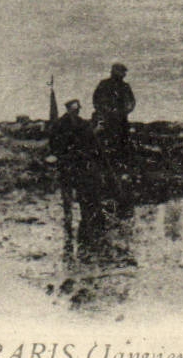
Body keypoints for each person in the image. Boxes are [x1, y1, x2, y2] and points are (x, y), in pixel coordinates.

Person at [47, 99, 102, 237]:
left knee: (81, 191)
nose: (76, 111)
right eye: (74, 109)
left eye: (77, 109)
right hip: (67, 162)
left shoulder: (82, 123)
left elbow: (89, 139)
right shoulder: (60, 124)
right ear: (68, 109)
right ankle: (68, 217)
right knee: (67, 191)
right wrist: (58, 154)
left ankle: (82, 218)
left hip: (78, 162)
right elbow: (53, 141)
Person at [91, 63, 137, 158]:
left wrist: (123, 111)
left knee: (122, 142)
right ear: (114, 72)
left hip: (121, 119)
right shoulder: (104, 84)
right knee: (104, 143)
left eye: (124, 72)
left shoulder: (125, 86)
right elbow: (96, 101)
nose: (124, 75)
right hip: (106, 118)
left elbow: (131, 102)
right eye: (121, 72)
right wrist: (108, 111)